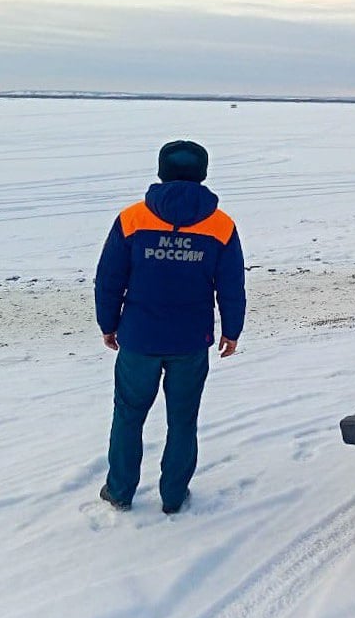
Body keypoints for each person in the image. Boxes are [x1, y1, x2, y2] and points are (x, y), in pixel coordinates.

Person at [93, 140, 246, 514]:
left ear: (161, 171)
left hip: (139, 338)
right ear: (203, 173)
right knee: (183, 418)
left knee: (128, 415)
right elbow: (231, 284)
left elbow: (109, 278)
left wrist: (108, 323)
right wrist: (232, 330)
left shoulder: (132, 219)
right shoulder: (220, 224)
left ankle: (119, 491)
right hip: (190, 340)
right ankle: (173, 496)